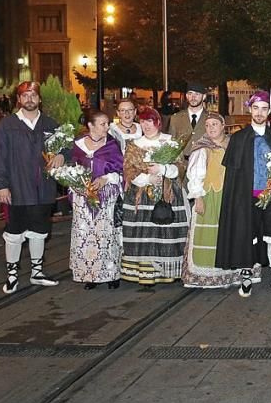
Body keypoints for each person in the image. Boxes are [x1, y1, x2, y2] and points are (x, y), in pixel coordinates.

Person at [0, 81, 67, 293]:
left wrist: (61, 155)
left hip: (42, 189)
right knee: (14, 232)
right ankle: (12, 274)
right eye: (25, 95)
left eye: (33, 95)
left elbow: (67, 146)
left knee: (40, 230)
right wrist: (1, 185)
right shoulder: (7, 126)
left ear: (39, 99)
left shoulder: (50, 125)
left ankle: (36, 272)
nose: (29, 99)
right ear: (19, 100)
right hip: (16, 189)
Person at [215, 90, 271, 297]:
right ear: (250, 109)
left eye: (264, 109)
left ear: (269, 111)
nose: (260, 113)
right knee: (247, 234)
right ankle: (247, 274)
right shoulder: (239, 138)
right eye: (256, 108)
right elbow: (232, 176)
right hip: (247, 197)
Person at [120, 106, 188, 287]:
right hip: (141, 195)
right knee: (145, 234)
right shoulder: (135, 145)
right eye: (142, 121)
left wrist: (164, 169)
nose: (146, 125)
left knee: (166, 231)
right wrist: (147, 178)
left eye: (150, 121)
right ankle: (147, 274)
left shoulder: (170, 142)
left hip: (168, 193)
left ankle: (168, 272)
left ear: (157, 122)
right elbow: (128, 169)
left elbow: (181, 166)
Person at [68, 110, 124, 289]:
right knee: (84, 236)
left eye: (108, 123)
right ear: (90, 126)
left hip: (106, 196)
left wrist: (105, 179)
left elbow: (120, 171)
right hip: (83, 198)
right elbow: (70, 169)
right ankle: (89, 275)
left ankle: (111, 274)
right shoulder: (77, 145)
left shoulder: (112, 145)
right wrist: (75, 183)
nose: (107, 127)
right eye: (103, 124)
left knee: (106, 235)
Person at [182, 113, 238, 289]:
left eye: (215, 124)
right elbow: (195, 175)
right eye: (208, 125)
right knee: (208, 235)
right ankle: (206, 274)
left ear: (223, 126)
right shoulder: (202, 147)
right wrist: (198, 197)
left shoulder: (233, 145)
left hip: (229, 195)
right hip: (209, 195)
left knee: (228, 234)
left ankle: (228, 274)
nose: (211, 128)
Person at [166, 81, 211, 157]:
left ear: (204, 97)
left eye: (197, 94)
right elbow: (171, 144)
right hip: (182, 164)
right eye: (190, 93)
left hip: (204, 163)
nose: (193, 97)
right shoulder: (176, 118)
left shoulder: (211, 118)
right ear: (186, 96)